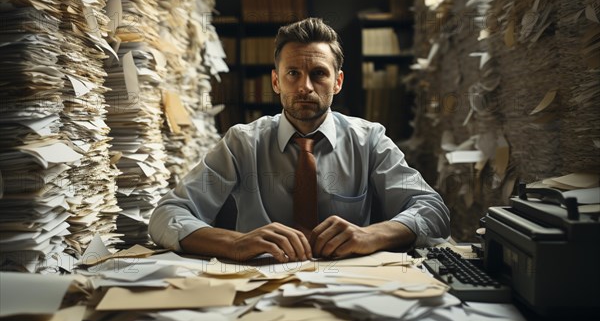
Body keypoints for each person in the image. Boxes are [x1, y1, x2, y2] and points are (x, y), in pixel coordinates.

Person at [149, 17, 450, 263]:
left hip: (351, 286)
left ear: (338, 82)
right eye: (293, 73)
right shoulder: (242, 142)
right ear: (276, 82)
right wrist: (236, 242)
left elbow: (433, 211)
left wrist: (372, 235)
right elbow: (165, 216)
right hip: (259, 287)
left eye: (319, 73)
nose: (305, 86)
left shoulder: (370, 140)